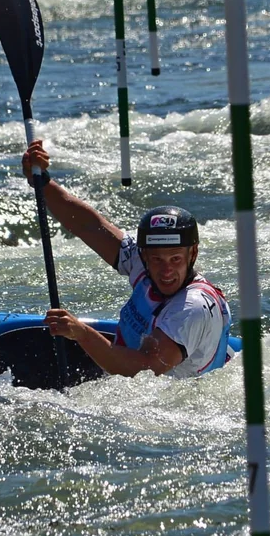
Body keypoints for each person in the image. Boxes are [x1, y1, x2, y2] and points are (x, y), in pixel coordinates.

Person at [21, 139, 233, 378]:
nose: (166, 271)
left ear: (192, 254)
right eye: (157, 260)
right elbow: (88, 226)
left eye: (175, 259)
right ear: (144, 255)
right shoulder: (140, 260)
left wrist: (82, 333)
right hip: (126, 375)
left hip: (176, 400)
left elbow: (143, 370)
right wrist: (41, 181)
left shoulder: (191, 307)